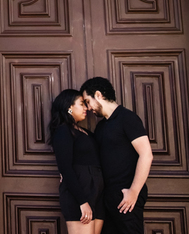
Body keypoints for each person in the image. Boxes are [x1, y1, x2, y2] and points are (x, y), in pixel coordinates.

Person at [80, 77, 153, 234]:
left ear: (98, 95)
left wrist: (133, 192)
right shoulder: (101, 127)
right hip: (106, 199)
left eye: (87, 101)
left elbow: (146, 154)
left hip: (126, 198)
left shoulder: (127, 118)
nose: (88, 107)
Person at [48, 89, 105, 234]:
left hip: (96, 191)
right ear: (69, 107)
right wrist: (82, 202)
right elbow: (66, 169)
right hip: (79, 194)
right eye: (82, 104)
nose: (86, 108)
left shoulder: (82, 131)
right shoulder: (63, 131)